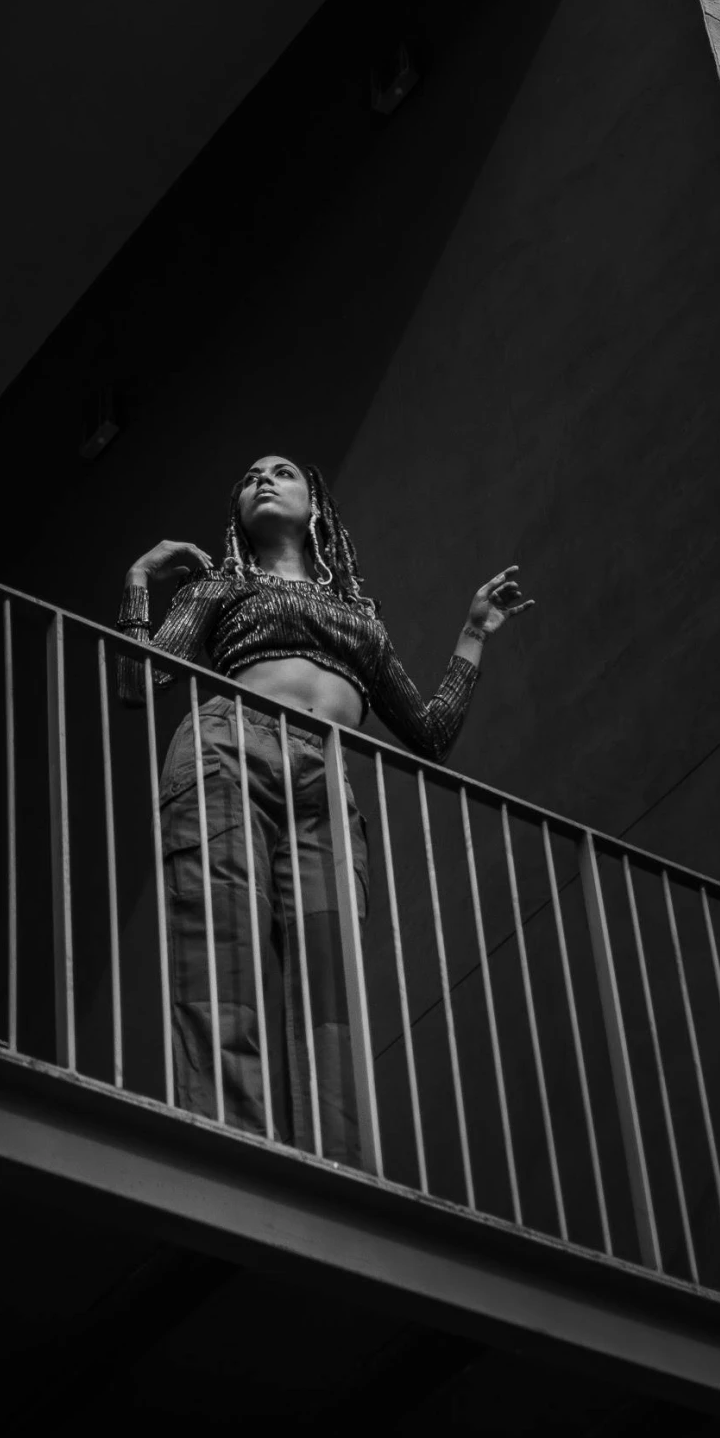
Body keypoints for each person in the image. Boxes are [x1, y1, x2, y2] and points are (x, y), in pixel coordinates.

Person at [118, 454, 531, 1165]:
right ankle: (228, 1148)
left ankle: (338, 1169)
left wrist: (474, 634)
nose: (263, 479)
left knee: (331, 981)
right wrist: (136, 585)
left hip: (325, 782)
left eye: (281, 472)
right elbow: (138, 679)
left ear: (316, 509)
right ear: (238, 516)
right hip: (229, 747)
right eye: (248, 477)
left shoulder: (358, 617)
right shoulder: (219, 585)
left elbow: (429, 735)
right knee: (220, 947)